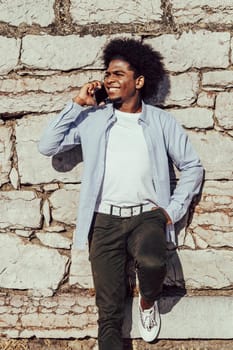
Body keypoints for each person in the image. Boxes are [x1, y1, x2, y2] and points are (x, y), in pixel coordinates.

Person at [38, 38, 203, 350]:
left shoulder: (161, 121)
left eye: (117, 74)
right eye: (107, 74)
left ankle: (146, 304)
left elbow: (192, 166)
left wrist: (171, 210)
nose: (108, 80)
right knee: (109, 313)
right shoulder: (93, 120)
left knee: (154, 263)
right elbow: (47, 145)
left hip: (147, 216)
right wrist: (77, 104)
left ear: (138, 81)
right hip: (104, 222)